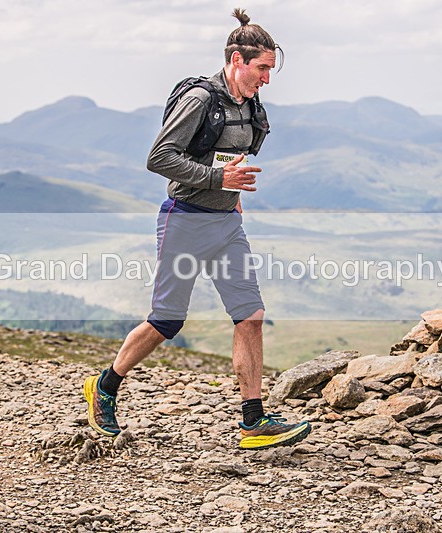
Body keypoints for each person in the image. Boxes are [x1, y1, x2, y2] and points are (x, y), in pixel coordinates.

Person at [83, 9, 311, 450]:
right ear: (235, 59)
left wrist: (232, 192)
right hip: (185, 219)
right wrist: (218, 181)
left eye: (270, 69)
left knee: (250, 316)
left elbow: (227, 160)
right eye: (262, 68)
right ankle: (105, 387)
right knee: (167, 320)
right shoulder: (201, 99)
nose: (267, 78)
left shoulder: (249, 106)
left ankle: (253, 421)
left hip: (227, 224)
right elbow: (160, 158)